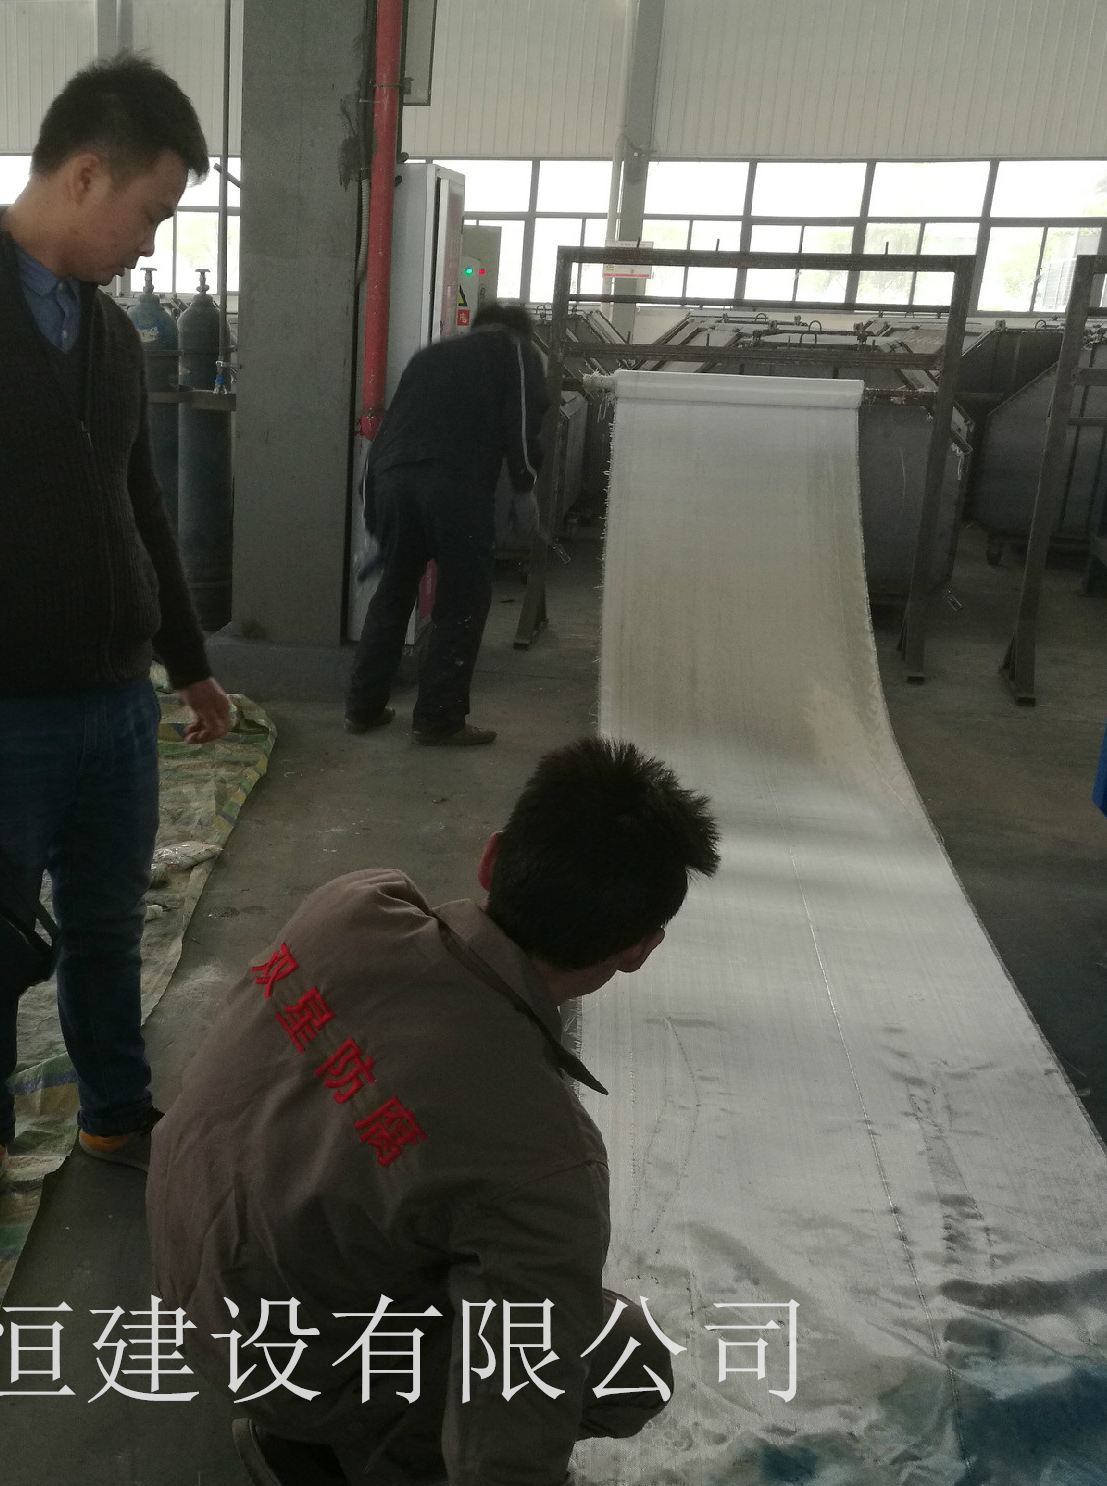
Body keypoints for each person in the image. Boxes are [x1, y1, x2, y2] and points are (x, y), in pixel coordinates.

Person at [0, 54, 235, 1244]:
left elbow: (140, 506)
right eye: (149, 213)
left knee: (107, 926)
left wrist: (188, 662)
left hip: (115, 705)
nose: (149, 245)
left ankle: (115, 1114)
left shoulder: (110, 336)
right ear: (84, 175)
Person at [148, 737, 722, 1486]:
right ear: (640, 949)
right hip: (288, 1365)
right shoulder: (544, 1158)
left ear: (491, 857)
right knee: (631, 1364)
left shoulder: (350, 906)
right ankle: (341, 1454)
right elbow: (512, 1433)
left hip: (177, 1266)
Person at [346, 301, 550, 746]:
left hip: (391, 482)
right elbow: (523, 422)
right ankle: (438, 719)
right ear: (520, 332)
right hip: (454, 487)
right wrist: (524, 485)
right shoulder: (515, 350)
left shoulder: (430, 356)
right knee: (462, 598)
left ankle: (363, 707)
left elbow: (387, 436)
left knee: (393, 592)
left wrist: (374, 521)